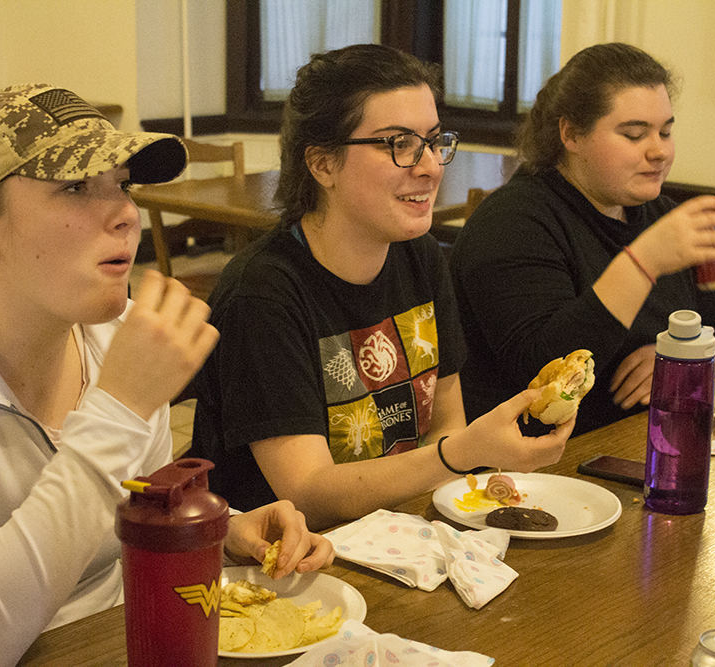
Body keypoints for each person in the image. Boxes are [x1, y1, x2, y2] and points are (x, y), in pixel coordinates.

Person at [0, 84, 333, 667]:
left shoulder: (109, 337)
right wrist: (118, 406)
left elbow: (134, 516)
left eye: (121, 185)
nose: (125, 213)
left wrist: (225, 535)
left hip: (113, 642)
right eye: (74, 189)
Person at [186, 44, 574, 532]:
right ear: (323, 164)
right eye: (399, 143)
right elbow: (308, 494)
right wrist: (461, 455)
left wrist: (459, 454)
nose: (431, 165)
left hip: (395, 533)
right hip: (286, 567)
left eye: (434, 141)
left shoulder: (421, 256)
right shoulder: (263, 293)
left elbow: (446, 421)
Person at [449, 43, 715, 437]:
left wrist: (691, 360)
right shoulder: (514, 221)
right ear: (571, 134)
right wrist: (643, 262)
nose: (659, 151)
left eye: (666, 131)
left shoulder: (662, 215)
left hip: (641, 441)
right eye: (634, 134)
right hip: (536, 463)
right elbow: (543, 375)